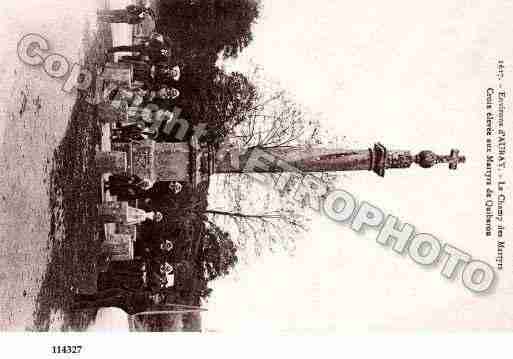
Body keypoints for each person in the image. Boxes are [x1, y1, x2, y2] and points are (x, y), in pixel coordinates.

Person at [71, 288, 164, 315]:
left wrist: (124, 304)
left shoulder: (145, 306)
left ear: (157, 302)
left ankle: (76, 306)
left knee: (98, 303)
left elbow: (131, 312)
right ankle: (78, 297)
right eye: (158, 295)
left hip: (120, 301)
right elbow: (135, 290)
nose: (156, 297)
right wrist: (125, 289)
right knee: (97, 296)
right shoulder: (148, 292)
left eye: (158, 299)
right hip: (121, 292)